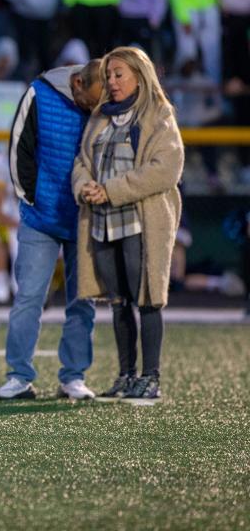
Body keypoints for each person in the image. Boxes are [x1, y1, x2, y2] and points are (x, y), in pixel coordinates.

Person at [72, 46, 184, 400]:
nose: (112, 81)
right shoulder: (101, 115)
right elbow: (82, 161)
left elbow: (165, 170)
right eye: (108, 75)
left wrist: (111, 190)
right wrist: (84, 186)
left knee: (147, 298)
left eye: (119, 74)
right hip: (103, 222)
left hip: (140, 222)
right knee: (119, 301)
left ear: (139, 74)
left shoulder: (158, 113)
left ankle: (151, 376)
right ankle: (125, 374)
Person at [0, 59, 103, 401]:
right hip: (42, 217)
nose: (92, 109)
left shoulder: (105, 100)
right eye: (89, 102)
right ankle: (19, 376)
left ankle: (74, 377)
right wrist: (32, 200)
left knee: (84, 301)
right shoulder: (39, 93)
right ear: (78, 82)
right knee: (29, 298)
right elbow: (18, 147)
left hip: (86, 216)